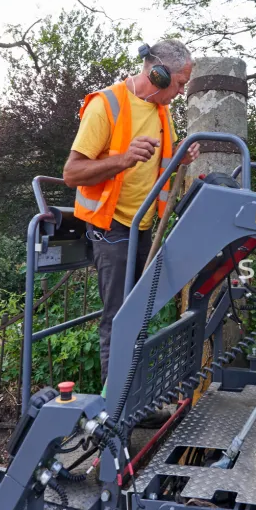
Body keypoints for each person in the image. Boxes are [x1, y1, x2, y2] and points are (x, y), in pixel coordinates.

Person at [63, 39, 200, 385]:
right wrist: (123, 159)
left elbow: (159, 163)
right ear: (159, 75)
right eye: (180, 84)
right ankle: (115, 407)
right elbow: (72, 173)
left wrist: (180, 158)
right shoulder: (106, 105)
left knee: (138, 316)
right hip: (111, 228)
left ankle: (134, 395)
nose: (180, 93)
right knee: (119, 318)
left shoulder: (161, 112)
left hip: (143, 227)